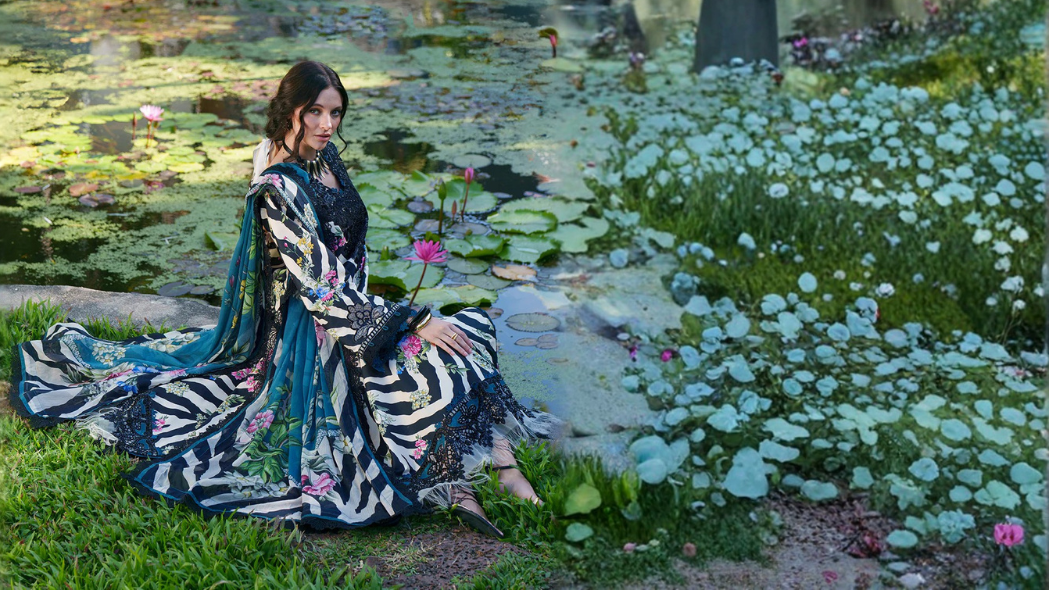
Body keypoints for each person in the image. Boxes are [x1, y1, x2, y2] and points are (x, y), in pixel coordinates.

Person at [9, 60, 560, 537]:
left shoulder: (325, 158)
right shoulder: (277, 184)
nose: (327, 124)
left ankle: (499, 466)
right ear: (291, 109)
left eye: (336, 113)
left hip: (357, 307)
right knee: (413, 370)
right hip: (315, 326)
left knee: (467, 336)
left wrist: (399, 317)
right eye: (315, 112)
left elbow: (351, 248)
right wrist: (410, 319)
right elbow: (316, 283)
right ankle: (463, 484)